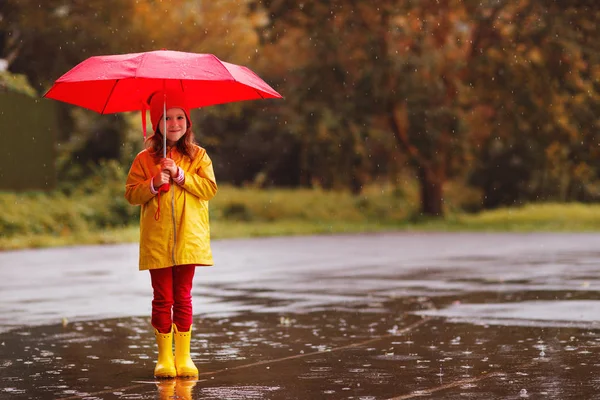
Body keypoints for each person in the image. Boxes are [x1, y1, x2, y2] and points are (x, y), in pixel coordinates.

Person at [125, 89, 217, 379]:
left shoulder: (199, 156)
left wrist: (179, 175)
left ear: (188, 122)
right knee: (162, 298)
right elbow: (131, 195)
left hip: (189, 240)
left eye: (180, 117)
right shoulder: (144, 159)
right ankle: (165, 357)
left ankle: (185, 357)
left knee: (183, 297)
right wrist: (153, 182)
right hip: (158, 241)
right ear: (156, 123)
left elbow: (209, 189)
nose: (174, 123)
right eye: (167, 117)